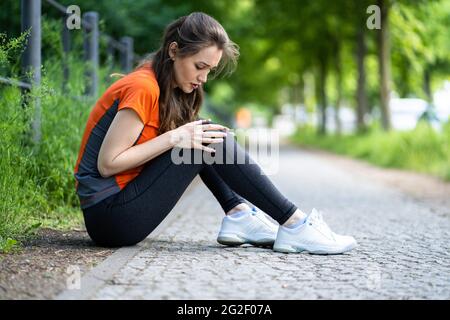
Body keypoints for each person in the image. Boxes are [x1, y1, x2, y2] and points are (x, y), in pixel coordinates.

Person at [74, 12, 357, 254]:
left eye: (209, 70)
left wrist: (184, 135)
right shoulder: (143, 87)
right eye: (200, 67)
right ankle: (295, 224)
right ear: (174, 51)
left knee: (202, 134)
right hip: (111, 218)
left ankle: (238, 213)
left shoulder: (167, 87)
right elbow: (108, 164)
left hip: (120, 210)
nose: (203, 78)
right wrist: (176, 137)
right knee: (203, 138)